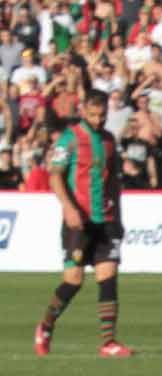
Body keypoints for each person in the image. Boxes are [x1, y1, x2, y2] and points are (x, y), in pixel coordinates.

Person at [35, 90, 132, 358]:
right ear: (83, 111)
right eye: (93, 115)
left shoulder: (110, 140)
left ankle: (108, 342)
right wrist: (68, 208)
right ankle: (45, 326)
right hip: (79, 220)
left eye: (102, 116)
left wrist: (119, 218)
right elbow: (55, 176)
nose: (98, 120)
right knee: (73, 281)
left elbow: (113, 182)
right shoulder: (69, 139)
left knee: (108, 276)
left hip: (107, 220)